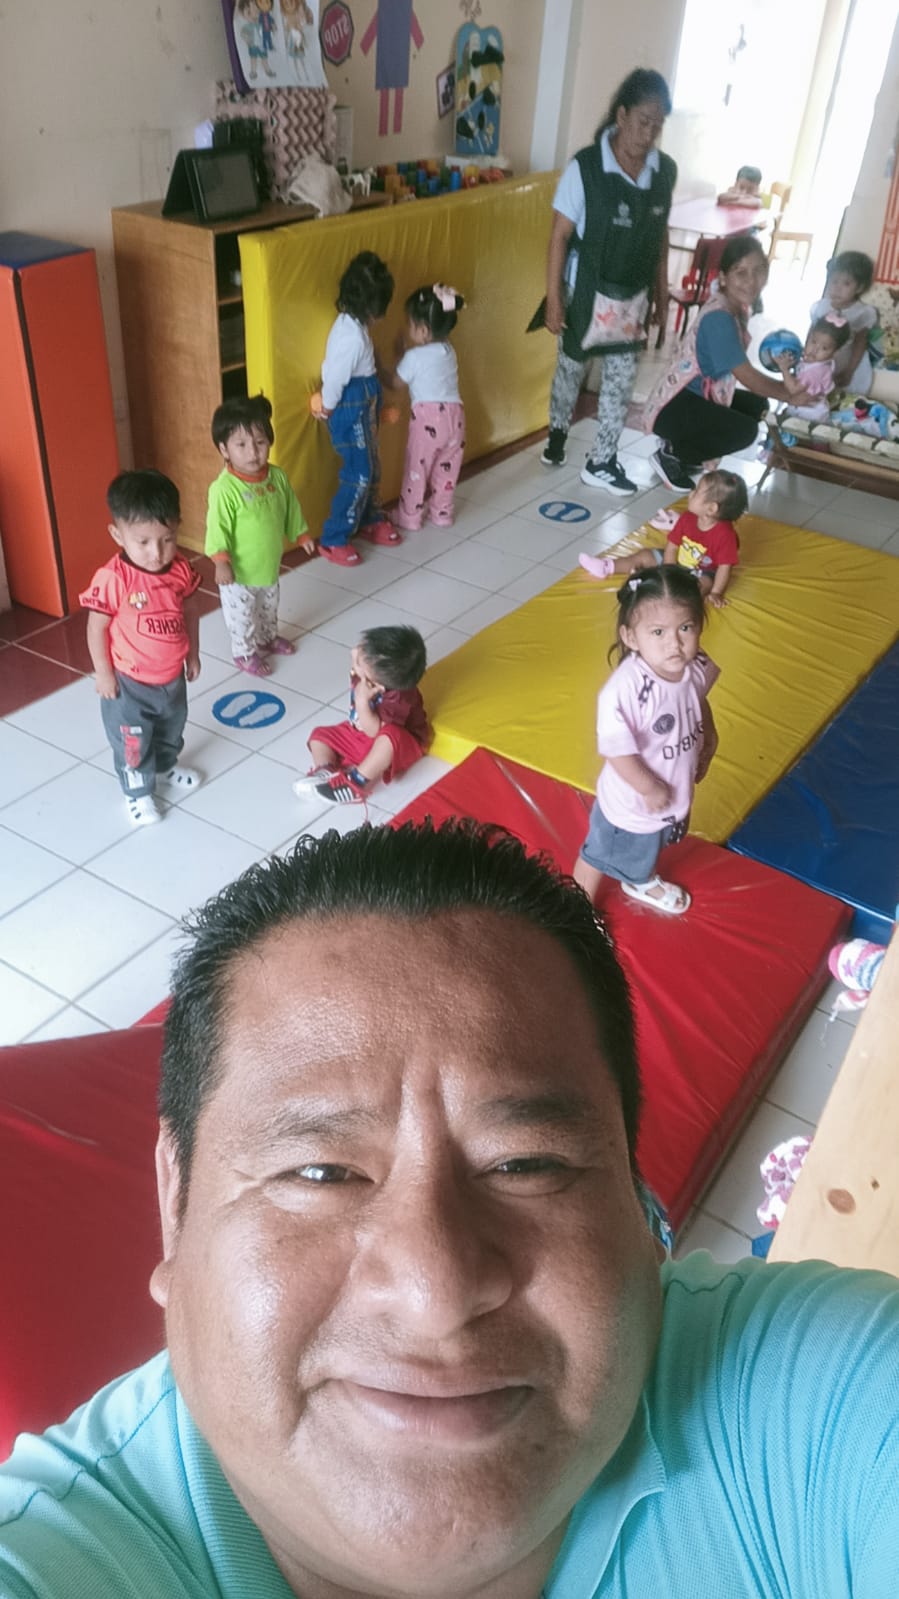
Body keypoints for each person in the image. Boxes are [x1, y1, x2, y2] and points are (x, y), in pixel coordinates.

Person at [3, 820, 899, 1598]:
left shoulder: (818, 1406)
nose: (435, 1291)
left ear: (635, 1202)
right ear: (176, 1201)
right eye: (320, 1171)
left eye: (526, 1163)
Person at [541, 68, 676, 495]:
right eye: (643, 121)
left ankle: (602, 460)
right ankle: (557, 432)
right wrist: (553, 299)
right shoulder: (585, 167)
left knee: (621, 378)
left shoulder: (664, 172)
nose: (649, 134)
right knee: (570, 369)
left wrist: (662, 293)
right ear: (621, 115)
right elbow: (559, 236)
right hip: (585, 291)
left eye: (657, 125)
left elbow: (660, 236)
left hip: (633, 297)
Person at [574, 565, 717, 916]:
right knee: (599, 855)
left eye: (685, 628)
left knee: (649, 846)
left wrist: (709, 738)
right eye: (658, 632)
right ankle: (576, 908)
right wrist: (649, 788)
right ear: (631, 636)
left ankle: (639, 879)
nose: (675, 643)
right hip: (632, 804)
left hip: (672, 790)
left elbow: (697, 696)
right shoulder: (626, 691)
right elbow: (617, 752)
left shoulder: (694, 664)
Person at [644, 233, 812, 492]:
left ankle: (684, 449)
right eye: (740, 272)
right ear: (723, 277)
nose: (751, 281)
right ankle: (673, 454)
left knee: (756, 406)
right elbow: (745, 374)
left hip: (692, 400)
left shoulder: (734, 307)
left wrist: (785, 387)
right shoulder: (720, 318)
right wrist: (789, 395)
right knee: (745, 431)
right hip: (673, 407)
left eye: (759, 271)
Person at [80, 470, 202, 828]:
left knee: (170, 729)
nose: (157, 553)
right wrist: (103, 673)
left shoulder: (180, 570)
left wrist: (193, 652)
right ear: (118, 535)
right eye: (144, 542)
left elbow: (191, 611)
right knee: (132, 743)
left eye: (167, 539)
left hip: (171, 679)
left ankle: (164, 767)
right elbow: (96, 627)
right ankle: (138, 792)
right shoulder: (114, 579)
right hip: (128, 684)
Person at [206, 394, 312, 678]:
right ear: (224, 449)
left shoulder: (277, 477)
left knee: (268, 607)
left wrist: (301, 534)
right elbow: (217, 527)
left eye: (260, 442)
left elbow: (290, 507)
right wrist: (220, 561)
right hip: (238, 575)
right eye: (241, 445)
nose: (253, 452)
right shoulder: (224, 489)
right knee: (242, 617)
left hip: (268, 567)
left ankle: (267, 638)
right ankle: (243, 652)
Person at [316, 250, 401, 566]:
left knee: (372, 466)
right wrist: (327, 407)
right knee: (360, 473)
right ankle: (334, 537)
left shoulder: (356, 327)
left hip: (363, 406)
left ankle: (368, 518)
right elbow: (336, 377)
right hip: (349, 409)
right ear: (371, 309)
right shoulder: (350, 337)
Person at [292, 623, 430, 806]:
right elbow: (360, 658)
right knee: (320, 735)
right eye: (363, 647)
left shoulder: (398, 700)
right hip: (360, 733)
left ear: (376, 685)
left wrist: (362, 702)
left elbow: (375, 732)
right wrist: (358, 660)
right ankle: (325, 769)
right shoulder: (369, 674)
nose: (356, 652)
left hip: (392, 744)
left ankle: (356, 783)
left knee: (390, 738)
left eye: (359, 661)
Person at [579, 468, 746, 608]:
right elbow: (672, 547)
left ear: (711, 509)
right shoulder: (687, 518)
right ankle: (607, 566)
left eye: (696, 492)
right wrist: (668, 571)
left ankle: (675, 599)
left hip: (702, 571)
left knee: (704, 584)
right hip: (677, 561)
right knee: (645, 555)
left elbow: (724, 568)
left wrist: (716, 592)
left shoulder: (726, 535)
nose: (691, 493)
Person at [392, 283, 466, 531]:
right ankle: (441, 513)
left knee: (417, 468)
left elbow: (396, 383)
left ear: (423, 330)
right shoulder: (449, 351)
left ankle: (410, 516)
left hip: (428, 420)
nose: (408, 328)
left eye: (410, 324)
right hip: (456, 419)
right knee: (447, 468)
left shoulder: (413, 357)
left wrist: (383, 364)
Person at [809, 250, 877, 395]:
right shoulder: (821, 307)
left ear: (860, 287)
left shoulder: (861, 313)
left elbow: (860, 344)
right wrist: (807, 356)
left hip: (844, 365)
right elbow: (811, 334)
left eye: (846, 283)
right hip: (819, 363)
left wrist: (849, 371)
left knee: (838, 396)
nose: (837, 288)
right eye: (834, 281)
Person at [775, 314, 851, 423]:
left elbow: (793, 389)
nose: (815, 350)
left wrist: (784, 369)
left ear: (835, 352)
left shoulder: (815, 372)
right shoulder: (821, 363)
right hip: (814, 410)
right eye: (813, 341)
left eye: (824, 348)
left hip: (807, 416)